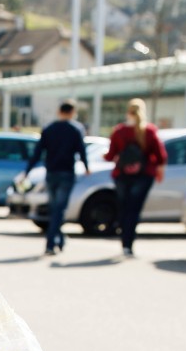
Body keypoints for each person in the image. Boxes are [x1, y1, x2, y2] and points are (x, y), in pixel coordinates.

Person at [25, 100, 90, 255]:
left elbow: (37, 153)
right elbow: (82, 151)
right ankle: (52, 242)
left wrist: (27, 170)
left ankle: (57, 238)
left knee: (56, 208)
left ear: (59, 112)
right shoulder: (76, 129)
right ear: (72, 112)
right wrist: (87, 167)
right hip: (66, 173)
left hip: (52, 173)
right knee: (59, 209)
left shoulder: (49, 129)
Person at [104, 98, 167, 257]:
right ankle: (129, 245)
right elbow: (160, 156)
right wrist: (158, 169)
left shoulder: (119, 131)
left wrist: (105, 156)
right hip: (143, 175)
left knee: (124, 209)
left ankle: (124, 243)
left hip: (122, 176)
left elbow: (110, 156)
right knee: (134, 210)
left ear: (128, 111)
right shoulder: (149, 131)